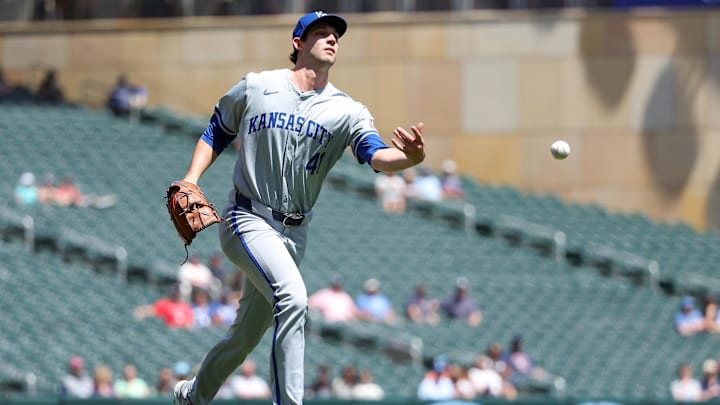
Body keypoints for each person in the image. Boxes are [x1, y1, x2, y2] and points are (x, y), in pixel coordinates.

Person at [171, 10, 426, 405]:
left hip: (294, 234)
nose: (331, 39)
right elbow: (216, 131)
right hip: (247, 218)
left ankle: (192, 396)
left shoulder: (347, 109)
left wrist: (407, 159)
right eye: (321, 33)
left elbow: (375, 155)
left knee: (244, 338)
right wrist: (191, 178)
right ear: (298, 43)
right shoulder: (258, 86)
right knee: (293, 299)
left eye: (335, 35)